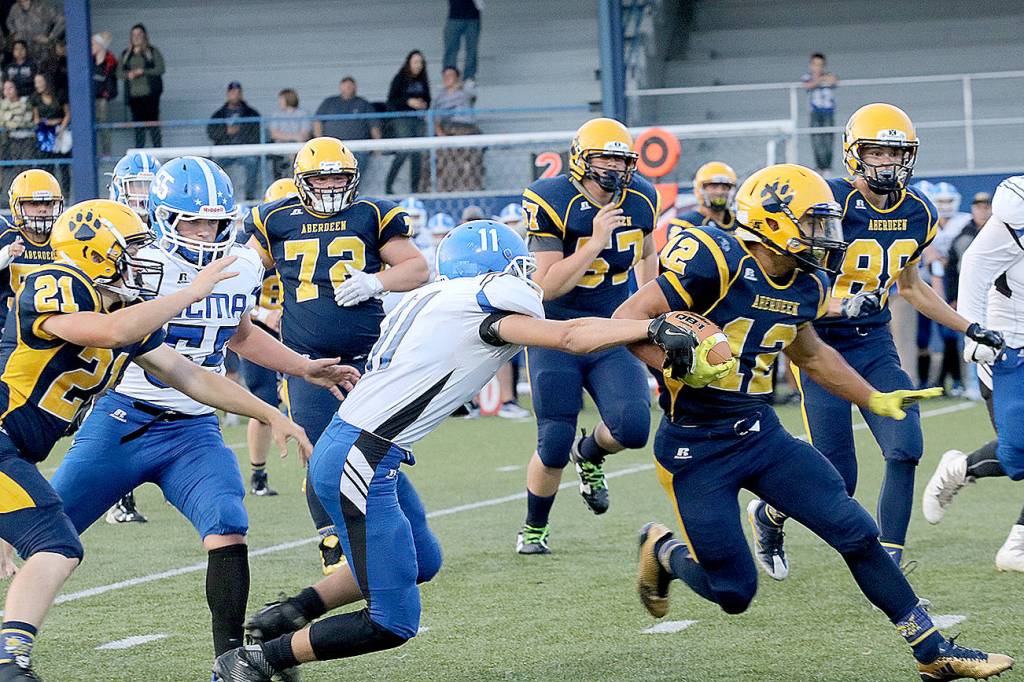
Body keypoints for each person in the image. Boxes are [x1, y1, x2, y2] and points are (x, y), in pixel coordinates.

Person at [210, 220, 693, 681]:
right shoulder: (479, 307)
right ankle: (254, 662)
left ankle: (284, 616)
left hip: (364, 451)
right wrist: (647, 329)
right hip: (360, 459)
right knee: (392, 621)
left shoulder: (440, 297)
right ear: (493, 271)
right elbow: (569, 337)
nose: (524, 277)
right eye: (514, 267)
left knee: (421, 560)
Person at [618, 163, 1013, 682]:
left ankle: (933, 651)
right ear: (774, 222)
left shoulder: (807, 280)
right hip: (697, 446)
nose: (826, 235)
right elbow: (625, 321)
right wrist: (678, 360)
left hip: (759, 433)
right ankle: (664, 549)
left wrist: (874, 399)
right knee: (734, 592)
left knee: (854, 529)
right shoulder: (715, 258)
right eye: (814, 222)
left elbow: (812, 355)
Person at [51, 158, 359, 662]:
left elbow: (237, 334)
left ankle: (231, 661)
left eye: (215, 221)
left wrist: (303, 368)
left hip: (194, 429)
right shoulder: (136, 264)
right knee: (46, 531)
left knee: (227, 521)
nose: (205, 232)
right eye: (191, 221)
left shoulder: (239, 265)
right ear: (160, 217)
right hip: (123, 416)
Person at [0, 197, 311, 679]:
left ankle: (230, 662)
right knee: (55, 542)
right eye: (129, 249)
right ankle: (10, 661)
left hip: (33, 446)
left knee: (60, 543)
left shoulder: (123, 307)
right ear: (93, 250)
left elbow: (189, 376)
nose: (139, 261)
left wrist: (271, 413)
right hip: (67, 432)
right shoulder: (54, 283)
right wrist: (192, 291)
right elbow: (109, 331)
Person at [748, 104, 1004, 579]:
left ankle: (889, 558)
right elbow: (788, 286)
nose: (886, 162)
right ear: (853, 154)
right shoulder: (828, 204)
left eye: (896, 152)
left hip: (872, 343)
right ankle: (769, 515)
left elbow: (910, 287)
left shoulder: (919, 211)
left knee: (906, 444)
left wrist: (968, 325)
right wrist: (841, 306)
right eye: (876, 151)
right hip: (820, 345)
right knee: (838, 476)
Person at [244, 137, 428, 574]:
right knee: (320, 451)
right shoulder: (274, 218)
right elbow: (244, 272)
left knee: (379, 449)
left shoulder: (372, 214)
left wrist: (376, 282)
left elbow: (417, 268)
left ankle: (397, 535)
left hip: (370, 356)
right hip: (307, 359)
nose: (330, 184)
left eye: (338, 175)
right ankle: (331, 539)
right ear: (300, 180)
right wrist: (247, 306)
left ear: (354, 178)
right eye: (320, 176)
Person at [516, 117, 660, 554]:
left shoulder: (642, 198)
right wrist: (594, 242)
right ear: (581, 158)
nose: (614, 168)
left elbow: (647, 253)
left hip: (610, 328)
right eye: (605, 157)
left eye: (622, 159)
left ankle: (591, 451)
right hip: (555, 331)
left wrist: (654, 306)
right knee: (553, 441)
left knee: (633, 427)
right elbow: (546, 286)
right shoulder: (550, 198)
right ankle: (534, 527)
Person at [922, 177, 1024, 572]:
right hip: (1007, 348)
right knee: (1017, 456)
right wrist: (974, 333)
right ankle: (960, 469)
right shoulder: (1005, 226)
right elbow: (974, 274)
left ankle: (1016, 545)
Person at [102, 151, 163, 524]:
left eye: (148, 186)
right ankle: (117, 495)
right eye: (135, 186)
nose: (141, 195)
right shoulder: (105, 223)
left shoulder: (163, 224)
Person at [241, 177, 298, 498]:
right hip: (258, 331)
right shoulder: (251, 249)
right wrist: (264, 315)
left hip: (297, 330)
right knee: (263, 401)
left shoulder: (310, 243)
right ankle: (258, 473)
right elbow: (233, 297)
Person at [0, 168, 60, 328]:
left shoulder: (64, 238)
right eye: (34, 203)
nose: (43, 209)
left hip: (51, 328)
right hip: (8, 328)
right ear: (16, 206)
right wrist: (5, 254)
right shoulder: (5, 235)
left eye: (48, 203)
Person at [385, 51, 430, 195]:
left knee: (417, 153)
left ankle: (414, 189)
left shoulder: (423, 80)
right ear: (409, 63)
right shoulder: (400, 79)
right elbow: (391, 101)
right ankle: (388, 185)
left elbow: (428, 99)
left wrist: (423, 104)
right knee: (404, 150)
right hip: (402, 118)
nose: (418, 65)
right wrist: (408, 102)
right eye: (415, 62)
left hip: (418, 119)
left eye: (421, 62)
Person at [208, 82, 262, 201]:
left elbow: (257, 132)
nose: (235, 95)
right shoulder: (219, 114)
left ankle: (249, 198)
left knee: (253, 162)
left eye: (238, 92)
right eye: (233, 92)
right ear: (228, 94)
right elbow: (211, 132)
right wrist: (226, 132)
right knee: (214, 166)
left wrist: (241, 130)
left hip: (245, 151)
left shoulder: (250, 113)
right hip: (225, 151)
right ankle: (217, 196)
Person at [663, 161, 737, 247]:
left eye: (725, 187)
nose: (719, 192)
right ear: (699, 190)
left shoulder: (740, 221)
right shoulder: (684, 223)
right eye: (714, 187)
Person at [313, 77, 380, 171]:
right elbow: (317, 121)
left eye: (350, 86)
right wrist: (319, 142)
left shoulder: (363, 103)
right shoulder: (329, 102)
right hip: (332, 147)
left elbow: (374, 126)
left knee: (354, 172)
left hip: (358, 148)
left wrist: (378, 148)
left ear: (355, 87)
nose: (348, 88)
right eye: (345, 86)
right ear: (340, 87)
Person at [433, 66, 481, 192]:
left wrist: (461, 85)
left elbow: (473, 91)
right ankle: (447, 189)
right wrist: (440, 133)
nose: (448, 78)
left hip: (466, 130)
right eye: (445, 76)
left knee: (469, 161)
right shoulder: (439, 98)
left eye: (451, 75)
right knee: (443, 159)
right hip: (447, 131)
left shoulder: (465, 92)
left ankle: (470, 188)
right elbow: (435, 118)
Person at [118, 23, 165, 148]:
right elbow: (118, 73)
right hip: (135, 98)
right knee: (139, 129)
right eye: (134, 34)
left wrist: (143, 71)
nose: (136, 37)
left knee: (154, 127)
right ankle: (139, 158)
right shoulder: (126, 55)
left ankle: (158, 153)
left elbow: (160, 68)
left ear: (144, 36)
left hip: (151, 97)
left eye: (139, 34)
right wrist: (129, 74)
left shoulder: (152, 52)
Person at [28, 72, 68, 193]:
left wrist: (60, 125)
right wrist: (45, 123)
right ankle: (49, 193)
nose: (37, 85)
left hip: (60, 132)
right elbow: (36, 118)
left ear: (47, 82)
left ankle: (66, 195)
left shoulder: (60, 95)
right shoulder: (35, 98)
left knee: (63, 166)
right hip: (44, 135)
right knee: (46, 166)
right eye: (36, 82)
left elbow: (68, 114)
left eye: (39, 82)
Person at [802, 53, 838, 173]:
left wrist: (820, 79)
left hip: (828, 112)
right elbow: (808, 85)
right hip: (815, 112)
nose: (818, 67)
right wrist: (820, 79)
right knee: (817, 140)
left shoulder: (829, 75)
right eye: (815, 64)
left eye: (820, 65)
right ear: (811, 65)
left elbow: (834, 81)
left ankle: (827, 167)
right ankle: (819, 167)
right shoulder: (807, 76)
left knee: (828, 140)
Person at [0, 80, 36, 200]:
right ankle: (16, 196)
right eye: (5, 89)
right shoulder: (2, 104)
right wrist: (13, 120)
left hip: (26, 139)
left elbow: (25, 120)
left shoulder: (25, 102)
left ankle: (28, 195)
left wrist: (10, 119)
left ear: (16, 89)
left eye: (11, 88)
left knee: (26, 167)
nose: (8, 91)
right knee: (16, 169)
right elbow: (3, 121)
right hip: (10, 141)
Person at [268, 88, 311, 178]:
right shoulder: (276, 114)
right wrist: (293, 137)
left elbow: (304, 135)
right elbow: (274, 134)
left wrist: (291, 142)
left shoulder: (303, 113)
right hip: (280, 149)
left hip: (298, 148)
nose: (279, 102)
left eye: (281, 99)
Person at [91, 32, 117, 157]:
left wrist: (107, 94)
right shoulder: (90, 62)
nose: (91, 46)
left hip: (101, 99)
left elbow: (111, 82)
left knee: (102, 125)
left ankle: (106, 152)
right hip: (90, 100)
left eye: (94, 44)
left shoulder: (109, 62)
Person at [442, 0, 481, 85]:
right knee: (451, 49)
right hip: (454, 16)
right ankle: (449, 76)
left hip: (473, 18)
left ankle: (469, 77)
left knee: (472, 50)